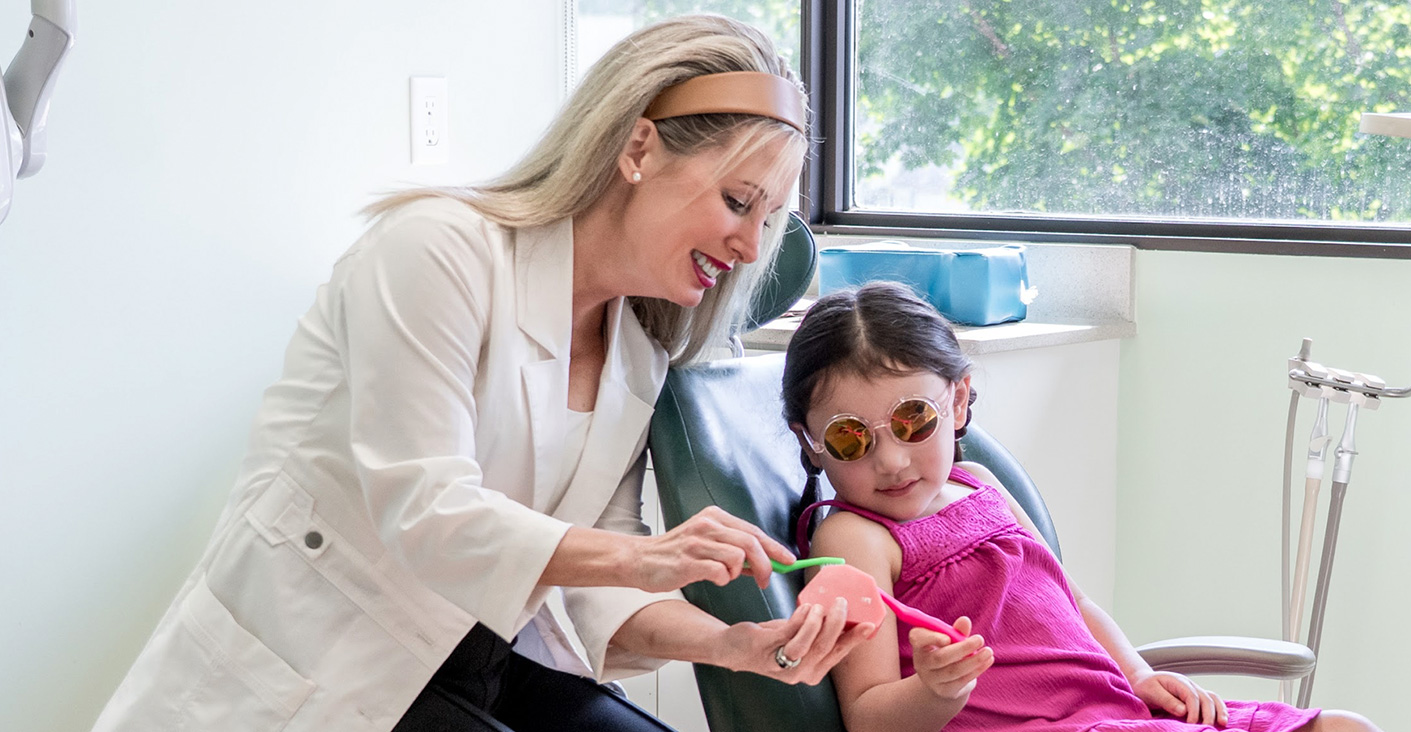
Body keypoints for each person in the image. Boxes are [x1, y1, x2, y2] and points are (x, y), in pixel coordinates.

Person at [91, 14, 872, 732]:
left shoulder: (636, 358)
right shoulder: (437, 250)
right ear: (637, 149)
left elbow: (591, 588)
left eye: (766, 220)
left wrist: (735, 643)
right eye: (739, 201)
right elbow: (426, 510)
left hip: (476, 663)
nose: (748, 247)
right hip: (323, 663)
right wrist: (645, 558)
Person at [782, 281, 1385, 732]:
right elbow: (866, 715)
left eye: (914, 420)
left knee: (1348, 727)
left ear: (960, 399)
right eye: (850, 437)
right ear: (809, 439)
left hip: (1112, 713)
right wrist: (938, 692)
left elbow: (1076, 603)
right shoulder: (857, 540)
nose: (889, 461)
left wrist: (1140, 677)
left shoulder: (980, 482)